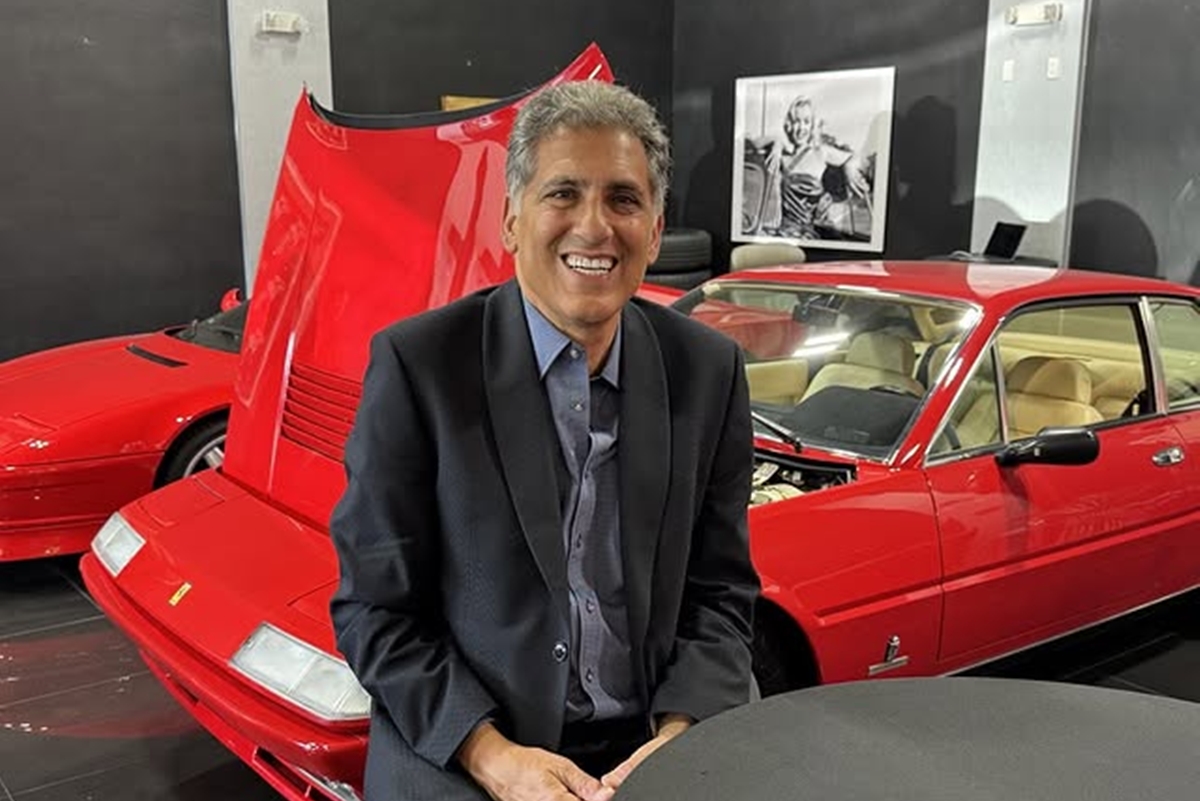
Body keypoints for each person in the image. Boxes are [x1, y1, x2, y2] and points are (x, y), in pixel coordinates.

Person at [329, 79, 760, 801]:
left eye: (623, 199)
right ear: (511, 220)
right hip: (477, 747)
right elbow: (374, 610)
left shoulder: (707, 370)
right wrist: (494, 757)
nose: (594, 227)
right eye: (563, 193)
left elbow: (721, 590)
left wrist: (680, 736)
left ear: (655, 231)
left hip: (651, 739)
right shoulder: (420, 367)